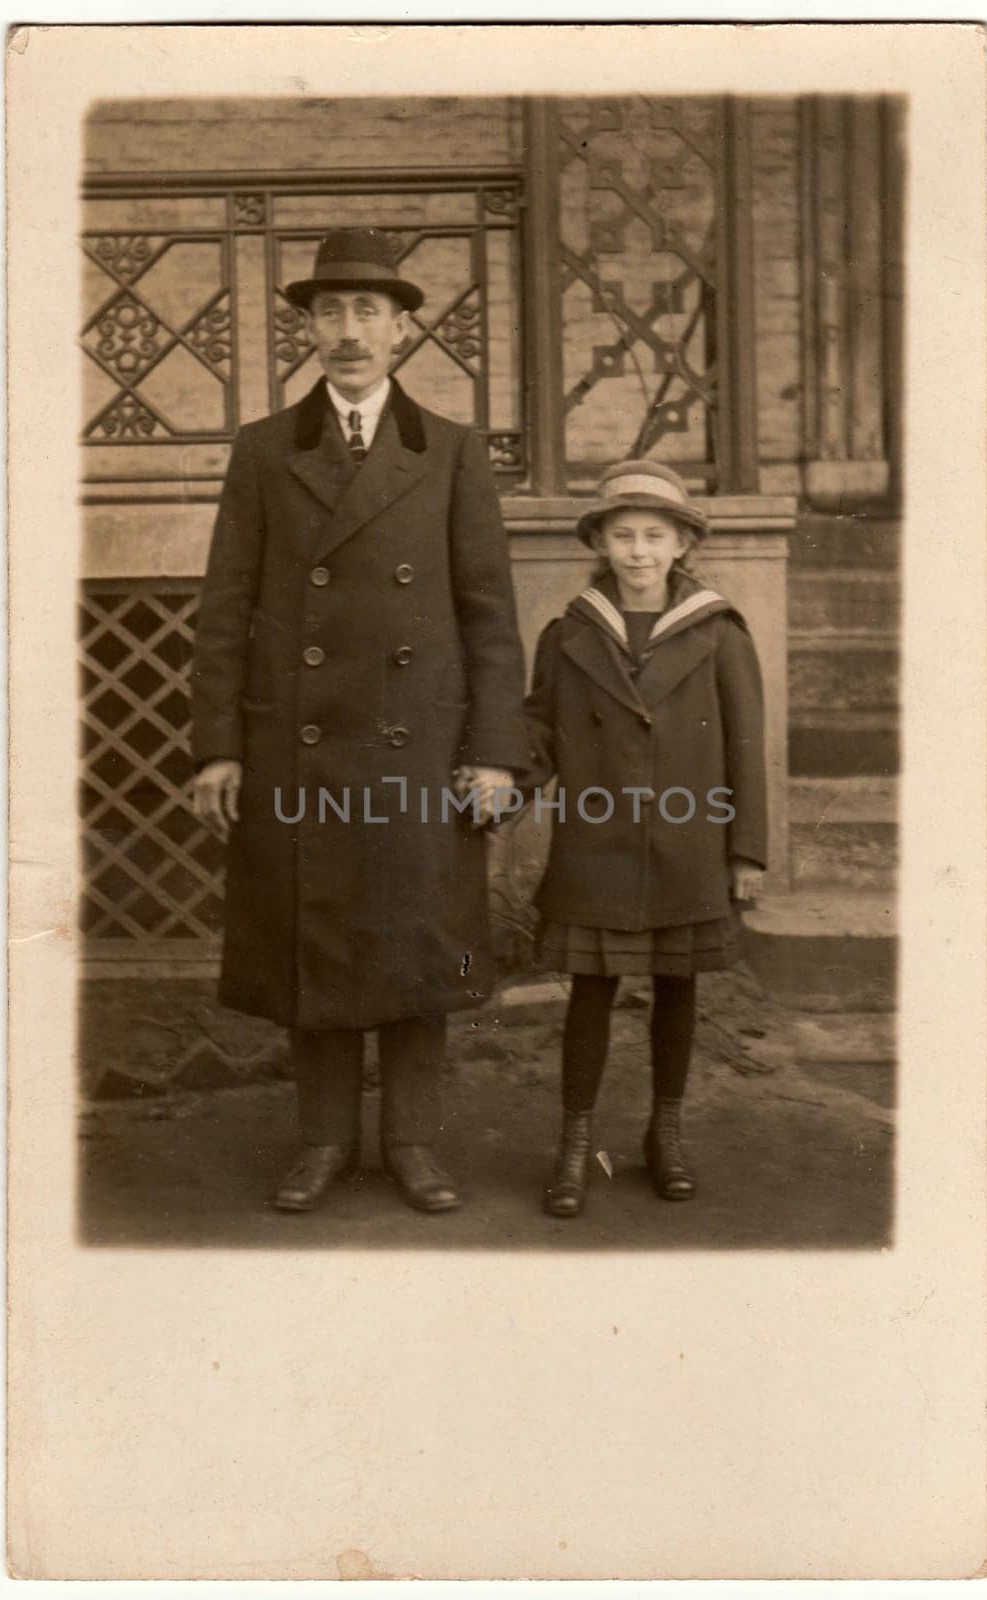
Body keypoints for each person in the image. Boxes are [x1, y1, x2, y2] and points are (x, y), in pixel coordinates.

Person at [190, 228, 528, 1216]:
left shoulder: (451, 451)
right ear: (309, 327)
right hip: (292, 736)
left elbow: (488, 615)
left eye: (368, 313)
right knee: (317, 935)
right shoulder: (263, 450)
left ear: (399, 330)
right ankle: (324, 1140)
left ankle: (413, 1141)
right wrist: (216, 745)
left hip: (419, 742)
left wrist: (495, 752)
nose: (348, 332)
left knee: (414, 936)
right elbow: (223, 607)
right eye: (330, 312)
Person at [520, 460, 767, 1218]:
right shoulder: (567, 633)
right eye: (621, 536)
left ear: (680, 543)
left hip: (687, 843)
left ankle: (666, 1131)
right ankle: (574, 1143)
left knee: (676, 989)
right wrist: (503, 775)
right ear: (599, 543)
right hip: (597, 841)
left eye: (653, 536)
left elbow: (746, 748)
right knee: (589, 993)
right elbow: (540, 729)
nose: (636, 552)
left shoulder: (718, 633)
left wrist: (745, 852)